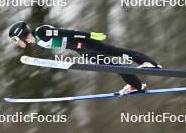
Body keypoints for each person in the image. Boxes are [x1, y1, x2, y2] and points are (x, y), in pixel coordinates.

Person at [9, 21, 162, 95]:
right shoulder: (38, 40)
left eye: (15, 39)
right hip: (81, 49)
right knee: (113, 66)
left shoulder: (41, 33)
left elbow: (67, 33)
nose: (16, 43)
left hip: (84, 43)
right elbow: (65, 42)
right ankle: (136, 85)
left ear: (21, 33)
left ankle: (150, 64)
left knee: (116, 52)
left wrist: (89, 35)